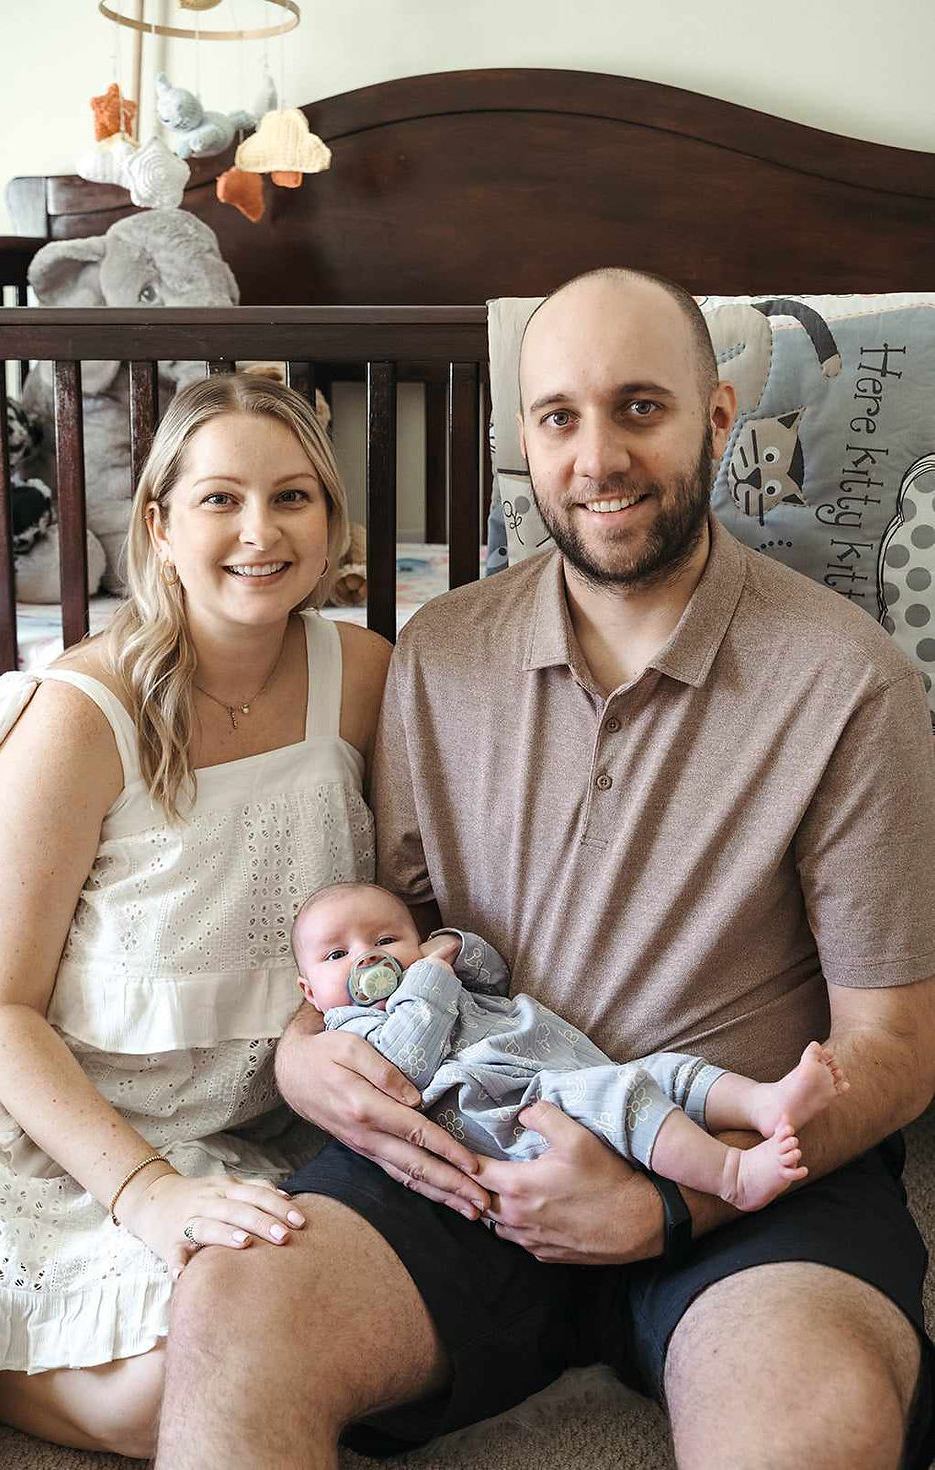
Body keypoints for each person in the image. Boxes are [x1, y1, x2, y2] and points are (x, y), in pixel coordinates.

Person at [156, 270, 935, 1470]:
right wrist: (309, 1055)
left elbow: (895, 1047)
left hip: (742, 1183)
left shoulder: (848, 683)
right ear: (524, 440)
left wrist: (676, 1200)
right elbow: (393, 933)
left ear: (716, 420)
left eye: (639, 408)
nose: (597, 457)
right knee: (231, 1310)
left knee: (816, 1418)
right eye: (559, 417)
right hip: (474, 1138)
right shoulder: (440, 652)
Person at [0, 375, 390, 1455]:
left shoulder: (366, 678)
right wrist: (140, 1194)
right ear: (158, 523)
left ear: (330, 522)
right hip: (27, 1115)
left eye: (293, 498)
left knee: (216, 1378)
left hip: (220, 1132)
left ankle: (10, 1359)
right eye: (219, 500)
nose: (259, 531)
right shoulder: (78, 715)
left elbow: (404, 899)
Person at [294, 880, 848, 1212]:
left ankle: (763, 1103)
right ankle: (733, 1176)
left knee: (667, 1072)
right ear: (310, 993)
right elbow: (406, 1062)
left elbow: (494, 973)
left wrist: (454, 949)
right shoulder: (349, 1032)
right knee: (626, 1094)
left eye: (386, 939)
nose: (368, 958)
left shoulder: (435, 972)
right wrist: (429, 977)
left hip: (571, 1071)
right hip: (520, 1116)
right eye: (336, 955)